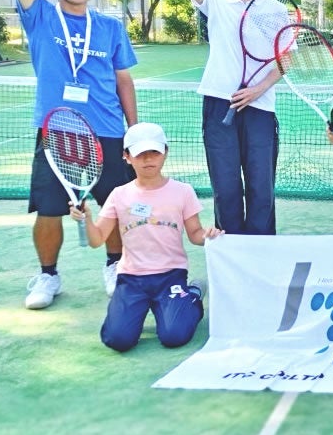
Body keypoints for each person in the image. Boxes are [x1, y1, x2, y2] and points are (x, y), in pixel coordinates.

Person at [12, 0, 138, 310]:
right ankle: (48, 276)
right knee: (48, 211)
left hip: (107, 131)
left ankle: (115, 265)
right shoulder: (41, 17)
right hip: (56, 131)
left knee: (114, 207)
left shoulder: (110, 27)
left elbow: (123, 80)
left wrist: (133, 132)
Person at [71, 123, 221, 352]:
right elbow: (97, 238)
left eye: (154, 152)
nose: (148, 159)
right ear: (127, 157)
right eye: (140, 154)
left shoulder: (183, 191)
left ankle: (192, 295)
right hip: (131, 279)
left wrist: (209, 235)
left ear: (165, 153)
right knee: (117, 340)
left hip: (171, 276)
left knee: (174, 336)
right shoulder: (119, 195)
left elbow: (195, 234)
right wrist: (86, 220)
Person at [173, 0, 280, 235]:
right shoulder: (217, 3)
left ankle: (261, 260)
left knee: (262, 191)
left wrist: (257, 89)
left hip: (260, 109)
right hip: (219, 105)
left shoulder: (274, 9)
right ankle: (231, 263)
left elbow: (284, 60)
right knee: (227, 188)